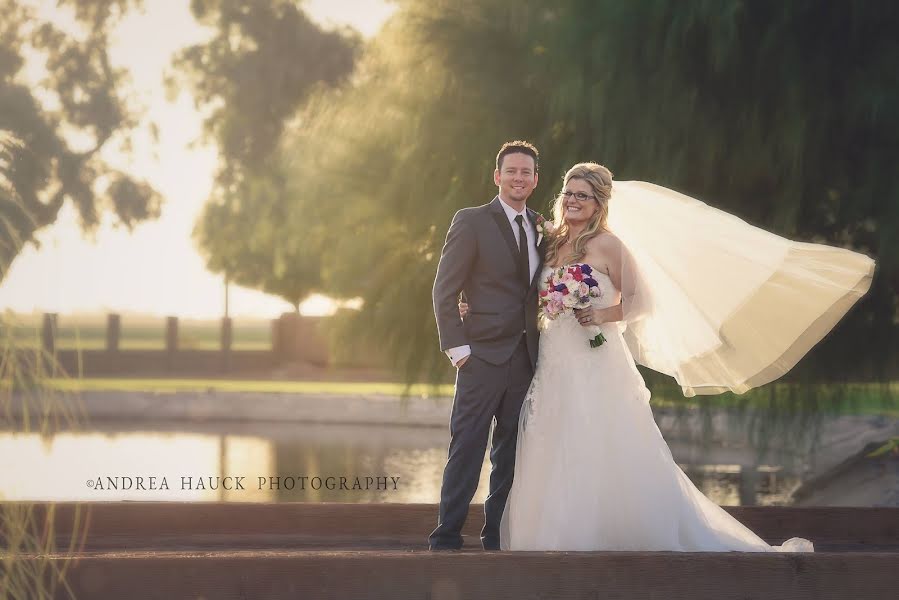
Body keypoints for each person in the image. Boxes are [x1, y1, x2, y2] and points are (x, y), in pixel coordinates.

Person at [461, 162, 874, 552]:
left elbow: (641, 302)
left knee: (600, 438)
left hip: (595, 359)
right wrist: (473, 303)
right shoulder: (547, 239)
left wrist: (600, 312)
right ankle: (547, 537)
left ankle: (608, 534)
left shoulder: (609, 245)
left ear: (599, 203)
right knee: (549, 439)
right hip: (551, 361)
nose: (572, 200)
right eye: (568, 192)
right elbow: (517, 289)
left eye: (583, 195)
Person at [429, 141, 546, 551]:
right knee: (467, 447)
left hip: (525, 359)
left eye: (526, 172)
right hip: (478, 356)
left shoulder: (541, 226)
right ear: (497, 177)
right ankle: (445, 538)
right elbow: (445, 289)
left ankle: (494, 538)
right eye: (511, 171)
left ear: (535, 180)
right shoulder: (471, 221)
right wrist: (457, 348)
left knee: (510, 454)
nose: (518, 178)